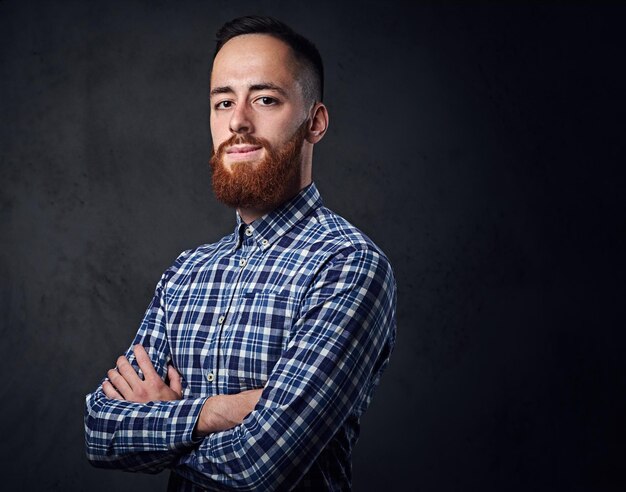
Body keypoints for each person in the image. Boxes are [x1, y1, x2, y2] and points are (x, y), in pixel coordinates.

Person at [84, 15, 396, 491]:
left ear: (315, 122)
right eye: (223, 101)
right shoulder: (186, 273)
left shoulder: (348, 266)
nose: (237, 121)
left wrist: (165, 422)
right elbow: (100, 431)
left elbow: (261, 469)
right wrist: (217, 412)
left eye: (265, 99)